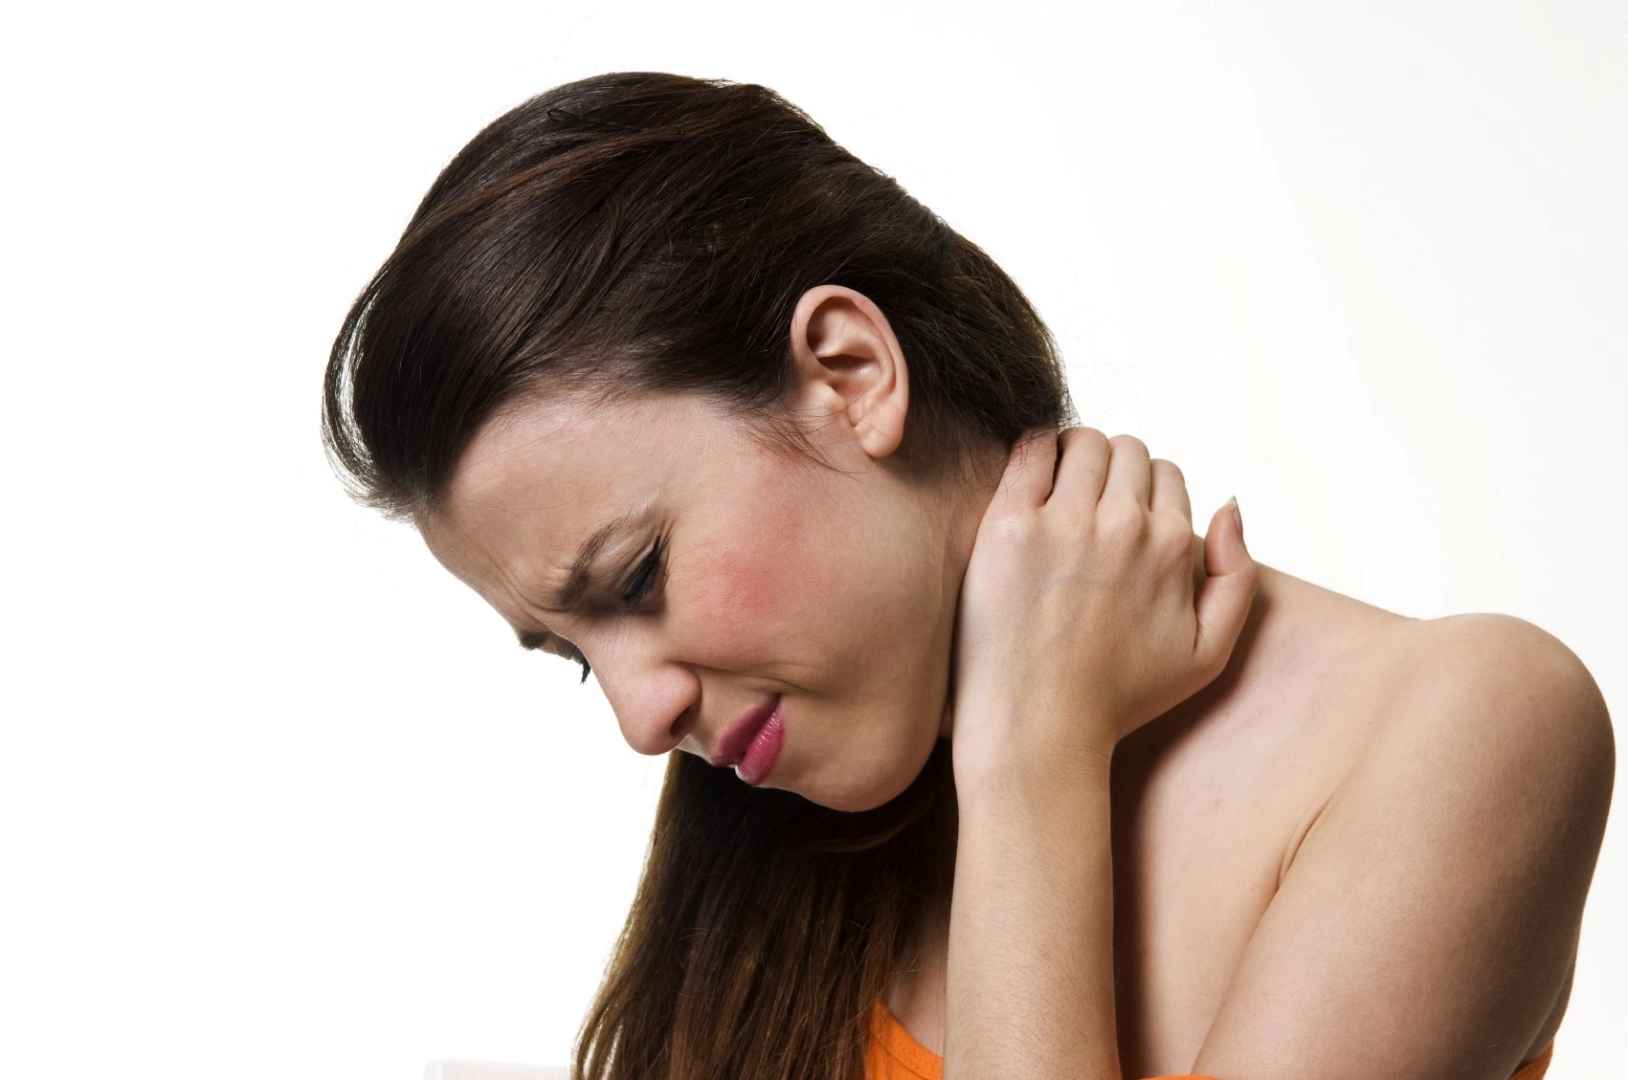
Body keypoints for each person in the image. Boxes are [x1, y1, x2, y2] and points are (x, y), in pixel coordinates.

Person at [321, 72, 1613, 1080]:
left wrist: (1031, 758)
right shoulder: (785, 846)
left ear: (850, 375)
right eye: (574, 656)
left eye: (639, 576)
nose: (638, 718)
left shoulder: (1460, 727)